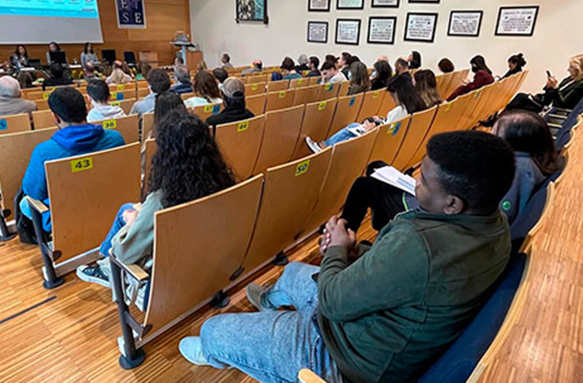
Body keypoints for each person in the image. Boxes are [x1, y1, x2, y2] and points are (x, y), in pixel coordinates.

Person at [180, 130, 514, 383]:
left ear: (453, 204)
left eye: (423, 181)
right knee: (293, 272)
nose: (414, 182)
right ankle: (270, 307)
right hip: (371, 327)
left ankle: (221, 349)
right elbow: (404, 277)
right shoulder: (493, 223)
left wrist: (338, 249)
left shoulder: (419, 246)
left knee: (212, 330)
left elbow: (333, 302)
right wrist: (357, 252)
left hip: (344, 357)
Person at [76, 110, 235, 286]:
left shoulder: (160, 200)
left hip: (165, 278)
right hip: (204, 261)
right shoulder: (222, 181)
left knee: (126, 213)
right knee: (128, 207)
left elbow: (123, 253)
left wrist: (131, 221)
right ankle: (104, 263)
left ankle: (107, 268)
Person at [341, 111, 561, 233]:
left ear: (513, 142)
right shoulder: (528, 163)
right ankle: (383, 227)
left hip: (436, 213)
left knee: (366, 184)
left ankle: (345, 232)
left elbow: (492, 213)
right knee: (378, 167)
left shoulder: (515, 171)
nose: (490, 137)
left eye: (495, 134)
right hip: (448, 204)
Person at [20, 87, 125, 232]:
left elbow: (33, 192)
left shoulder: (44, 152)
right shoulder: (115, 138)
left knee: (25, 203)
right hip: (111, 206)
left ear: (55, 117)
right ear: (87, 110)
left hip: (65, 218)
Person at [307, 73, 425, 152]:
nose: (392, 99)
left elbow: (384, 134)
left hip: (378, 142)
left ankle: (325, 148)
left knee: (351, 132)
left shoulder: (399, 110)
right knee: (353, 126)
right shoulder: (417, 104)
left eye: (392, 96)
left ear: (398, 93)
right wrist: (381, 121)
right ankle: (325, 145)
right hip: (395, 139)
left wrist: (370, 129)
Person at [502, 54, 583, 114]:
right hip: (546, 101)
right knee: (520, 98)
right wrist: (549, 86)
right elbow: (551, 93)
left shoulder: (580, 85)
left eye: (572, 67)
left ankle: (498, 121)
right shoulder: (569, 79)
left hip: (553, 110)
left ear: (579, 69)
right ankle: (499, 120)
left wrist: (555, 88)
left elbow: (562, 104)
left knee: (520, 101)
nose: (568, 69)